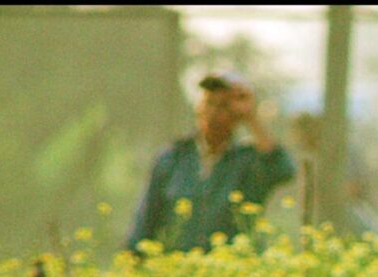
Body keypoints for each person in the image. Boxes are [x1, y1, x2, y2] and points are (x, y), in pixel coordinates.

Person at [126, 73, 296, 254]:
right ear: (198, 109)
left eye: (223, 106)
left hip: (232, 272)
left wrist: (252, 119)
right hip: (177, 271)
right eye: (209, 103)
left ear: (235, 116)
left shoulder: (248, 160)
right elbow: (146, 219)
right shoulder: (173, 158)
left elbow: (283, 170)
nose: (213, 113)